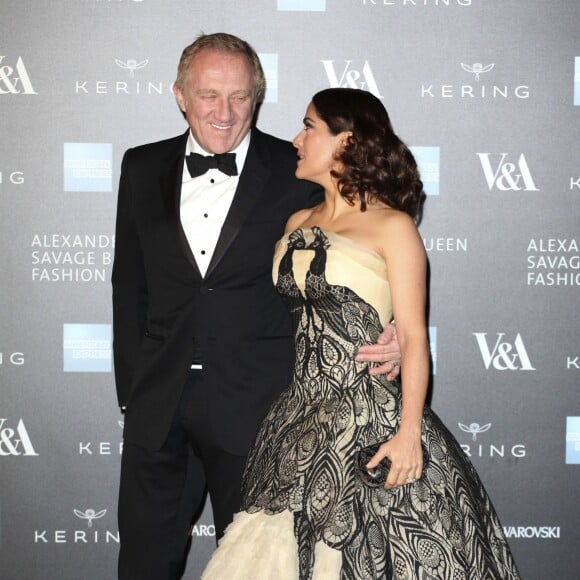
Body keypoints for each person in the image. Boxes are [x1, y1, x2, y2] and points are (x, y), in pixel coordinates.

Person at [112, 34, 400, 579]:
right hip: (157, 405)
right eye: (209, 96)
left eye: (240, 97)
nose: (225, 112)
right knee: (143, 565)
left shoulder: (297, 167)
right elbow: (128, 286)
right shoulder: (140, 167)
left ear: (258, 97)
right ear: (179, 95)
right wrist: (132, 390)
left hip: (259, 410)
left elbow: (371, 237)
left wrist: (397, 327)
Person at [202, 88, 521, 579]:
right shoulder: (295, 221)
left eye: (309, 127)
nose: (296, 138)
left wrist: (409, 433)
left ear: (345, 142)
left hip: (369, 419)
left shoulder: (393, 228)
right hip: (295, 422)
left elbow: (413, 338)